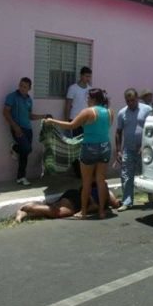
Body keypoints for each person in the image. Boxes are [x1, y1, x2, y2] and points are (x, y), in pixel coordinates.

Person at [45, 88, 113, 219]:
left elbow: (71, 125)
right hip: (105, 147)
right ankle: (102, 212)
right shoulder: (109, 112)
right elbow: (106, 127)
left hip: (89, 147)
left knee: (86, 182)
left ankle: (83, 212)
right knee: (101, 180)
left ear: (93, 99)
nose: (87, 100)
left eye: (88, 98)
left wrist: (52, 121)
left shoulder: (88, 112)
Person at [115, 88, 153, 211]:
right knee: (126, 175)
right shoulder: (122, 113)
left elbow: (151, 129)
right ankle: (127, 202)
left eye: (133, 100)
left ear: (137, 98)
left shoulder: (147, 110)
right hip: (128, 149)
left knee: (146, 174)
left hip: (144, 150)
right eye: (128, 101)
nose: (131, 103)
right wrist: (118, 151)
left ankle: (151, 199)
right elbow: (118, 132)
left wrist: (145, 145)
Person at [3, 78, 47, 185]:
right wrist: (15, 127)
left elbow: (30, 116)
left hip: (28, 129)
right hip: (18, 128)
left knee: (25, 153)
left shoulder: (29, 100)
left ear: (29, 88)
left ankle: (21, 177)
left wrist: (43, 116)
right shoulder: (12, 96)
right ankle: (14, 147)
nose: (22, 88)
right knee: (27, 149)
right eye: (21, 85)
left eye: (25, 87)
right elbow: (5, 112)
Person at [14, 181, 120, 223]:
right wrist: (82, 211)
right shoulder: (102, 191)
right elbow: (94, 206)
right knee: (57, 212)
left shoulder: (101, 189)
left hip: (73, 195)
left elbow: (115, 203)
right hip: (76, 201)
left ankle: (25, 213)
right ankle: (27, 207)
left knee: (52, 210)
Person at [65, 66, 92, 176]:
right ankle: (77, 172)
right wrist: (67, 122)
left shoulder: (90, 89)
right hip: (75, 120)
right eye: (86, 76)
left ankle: (85, 170)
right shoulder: (73, 88)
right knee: (75, 146)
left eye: (89, 76)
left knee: (86, 146)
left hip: (86, 122)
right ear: (81, 76)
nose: (88, 78)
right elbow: (68, 105)